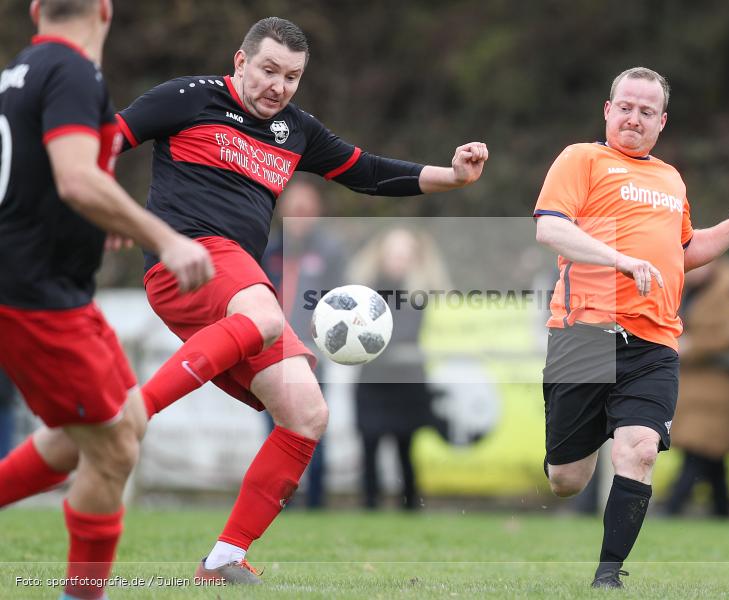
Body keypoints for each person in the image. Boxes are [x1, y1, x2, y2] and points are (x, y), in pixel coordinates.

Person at [4, 16, 483, 585]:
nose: (277, 86)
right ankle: (142, 408)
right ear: (240, 61)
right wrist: (102, 214)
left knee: (306, 414)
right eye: (268, 70)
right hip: (188, 261)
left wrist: (449, 177)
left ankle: (224, 557)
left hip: (234, 282)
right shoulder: (187, 98)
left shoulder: (297, 130)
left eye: (291, 76)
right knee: (260, 310)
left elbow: (369, 172)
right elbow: (106, 141)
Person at [533, 66, 729, 588]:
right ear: (607, 109)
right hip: (584, 336)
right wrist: (620, 261)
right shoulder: (582, 159)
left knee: (641, 449)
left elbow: (685, 253)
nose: (634, 118)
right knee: (566, 480)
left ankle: (608, 577)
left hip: (655, 343)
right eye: (625, 107)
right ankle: (596, 423)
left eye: (647, 111)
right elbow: (551, 228)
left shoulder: (671, 179)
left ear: (661, 121)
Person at [0, 1, 213, 599]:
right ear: (104, 9)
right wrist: (164, 237)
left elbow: (43, 181)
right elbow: (74, 177)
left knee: (122, 419)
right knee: (114, 445)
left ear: (37, 10)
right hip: (36, 296)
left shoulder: (21, 69)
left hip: (54, 290)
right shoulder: (72, 70)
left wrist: (98, 217)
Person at [348, 227, 450, 510]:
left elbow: (402, 334)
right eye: (393, 254)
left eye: (405, 255)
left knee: (406, 448)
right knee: (369, 444)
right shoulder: (362, 291)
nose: (398, 260)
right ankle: (369, 504)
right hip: (372, 381)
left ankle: (410, 505)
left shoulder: (417, 294)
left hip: (407, 382)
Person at [261, 178, 346, 509]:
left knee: (312, 428)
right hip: (270, 354)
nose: (300, 215)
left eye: (306, 209)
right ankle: (278, 501)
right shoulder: (268, 251)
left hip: (312, 356)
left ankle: (316, 502)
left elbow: (341, 300)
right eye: (295, 208)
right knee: (274, 431)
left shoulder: (330, 253)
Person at [664, 258, 729, 518]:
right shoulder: (688, 288)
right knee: (711, 456)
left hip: (725, 388)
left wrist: (694, 346)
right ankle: (723, 512)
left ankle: (672, 507)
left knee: (699, 451)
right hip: (697, 387)